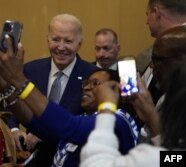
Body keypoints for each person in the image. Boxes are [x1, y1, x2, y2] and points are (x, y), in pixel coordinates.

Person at [79, 25, 186, 167]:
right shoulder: (164, 100)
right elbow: (174, 157)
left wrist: (106, 108)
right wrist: (151, 116)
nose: (152, 66)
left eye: (157, 59)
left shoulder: (150, 158)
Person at [8, 13, 98, 166]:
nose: (61, 47)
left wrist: (45, 133)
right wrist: (14, 129)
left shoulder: (92, 76)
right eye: (56, 39)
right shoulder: (30, 70)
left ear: (79, 44)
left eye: (68, 41)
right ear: (48, 39)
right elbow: (12, 104)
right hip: (31, 157)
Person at [136, 0, 186, 103]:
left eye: (147, 15)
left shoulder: (180, 46)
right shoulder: (148, 54)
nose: (146, 22)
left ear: (156, 13)